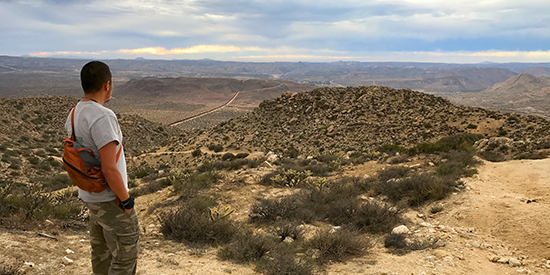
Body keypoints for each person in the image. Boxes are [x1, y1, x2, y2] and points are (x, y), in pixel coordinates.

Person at [65, 61, 139, 275]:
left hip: (89, 195)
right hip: (109, 198)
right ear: (108, 85)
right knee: (126, 255)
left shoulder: (74, 113)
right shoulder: (103, 116)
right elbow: (109, 168)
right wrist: (126, 200)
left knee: (101, 252)